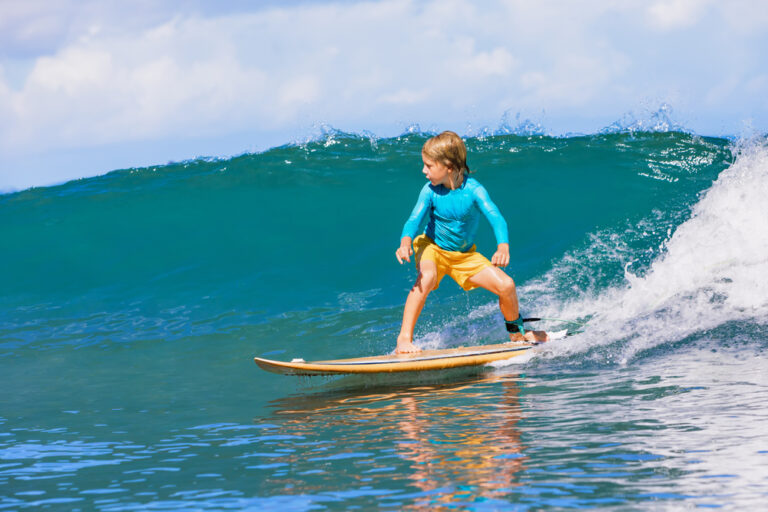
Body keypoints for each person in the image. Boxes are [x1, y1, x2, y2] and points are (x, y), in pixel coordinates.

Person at [395, 131, 547, 354]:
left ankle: (516, 334)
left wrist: (502, 246)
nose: (423, 171)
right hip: (432, 248)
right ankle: (404, 340)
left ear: (447, 165)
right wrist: (405, 242)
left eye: (428, 165)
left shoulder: (474, 190)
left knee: (506, 286)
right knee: (426, 278)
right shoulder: (429, 191)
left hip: (464, 255)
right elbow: (413, 220)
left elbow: (495, 217)